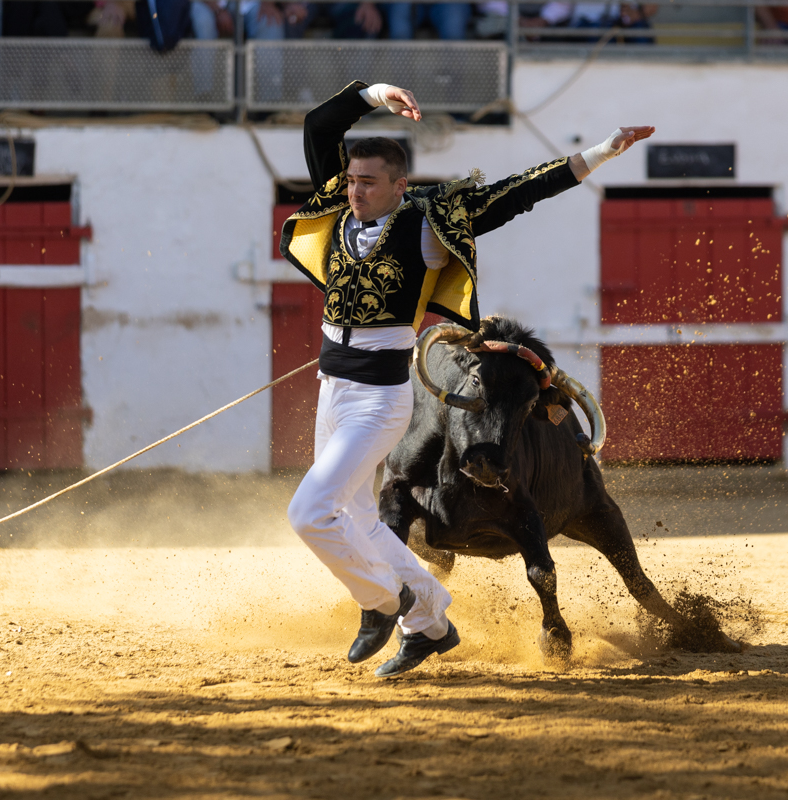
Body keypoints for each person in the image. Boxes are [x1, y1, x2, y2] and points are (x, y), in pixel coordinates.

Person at [278, 80, 652, 678]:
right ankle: (429, 621)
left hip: (378, 398)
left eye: (368, 182)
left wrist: (601, 153)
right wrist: (373, 94)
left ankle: (382, 603)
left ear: (401, 186)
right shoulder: (336, 203)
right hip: (333, 386)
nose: (354, 191)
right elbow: (319, 126)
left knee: (310, 512)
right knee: (354, 517)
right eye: (351, 180)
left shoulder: (429, 224)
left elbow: (518, 193)